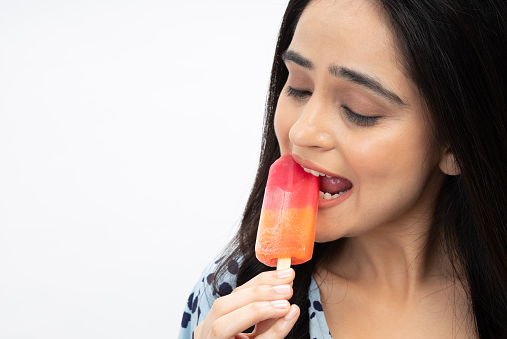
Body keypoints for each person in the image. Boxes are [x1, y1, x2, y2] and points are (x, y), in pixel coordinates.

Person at [178, 0, 507, 337]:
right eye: (299, 87)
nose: (301, 132)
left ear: (455, 144)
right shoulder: (230, 297)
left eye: (357, 109)